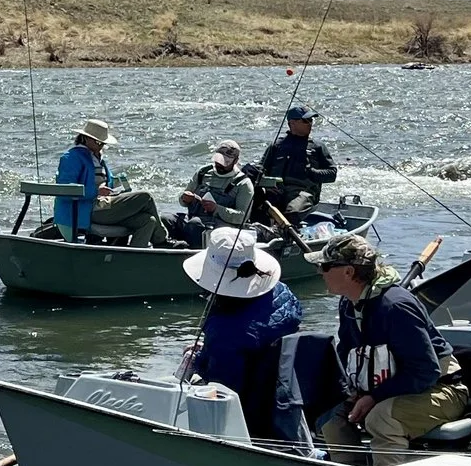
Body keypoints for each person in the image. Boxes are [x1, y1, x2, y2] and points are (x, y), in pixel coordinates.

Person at [312, 233, 468, 466]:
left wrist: (374, 397)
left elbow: (425, 371)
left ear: (349, 272)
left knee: (381, 418)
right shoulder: (348, 304)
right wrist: (351, 390)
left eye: (324, 266)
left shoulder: (396, 307)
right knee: (331, 416)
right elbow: (345, 354)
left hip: (441, 389)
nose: (319, 272)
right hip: (386, 387)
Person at [181, 227, 306, 445]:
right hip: (286, 400)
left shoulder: (225, 330)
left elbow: (222, 388)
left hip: (250, 414)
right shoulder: (284, 293)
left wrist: (200, 360)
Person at [52, 118, 171, 247]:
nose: (101, 146)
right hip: (87, 209)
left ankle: (133, 257)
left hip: (104, 206)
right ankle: (162, 240)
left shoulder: (98, 158)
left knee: (148, 220)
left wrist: (116, 185)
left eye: (103, 143)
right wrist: (96, 192)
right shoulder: (71, 158)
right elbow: (65, 190)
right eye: (98, 142)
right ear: (85, 138)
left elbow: (106, 182)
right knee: (145, 197)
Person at [255, 106, 339, 228]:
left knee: (292, 212)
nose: (310, 124)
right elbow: (261, 168)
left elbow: (332, 174)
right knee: (255, 206)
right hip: (275, 190)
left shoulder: (317, 147)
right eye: (305, 121)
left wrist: (312, 172)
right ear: (292, 123)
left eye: (311, 120)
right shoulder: (277, 145)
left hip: (303, 193)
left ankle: (285, 236)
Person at [168, 139, 257, 247]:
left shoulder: (243, 183)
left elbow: (242, 217)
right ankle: (165, 250)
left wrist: (216, 209)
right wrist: (185, 199)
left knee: (195, 224)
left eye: (226, 162)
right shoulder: (203, 173)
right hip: (193, 217)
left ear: (235, 161)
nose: (220, 164)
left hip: (223, 229)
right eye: (219, 160)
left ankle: (191, 253)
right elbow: (183, 200)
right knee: (167, 220)